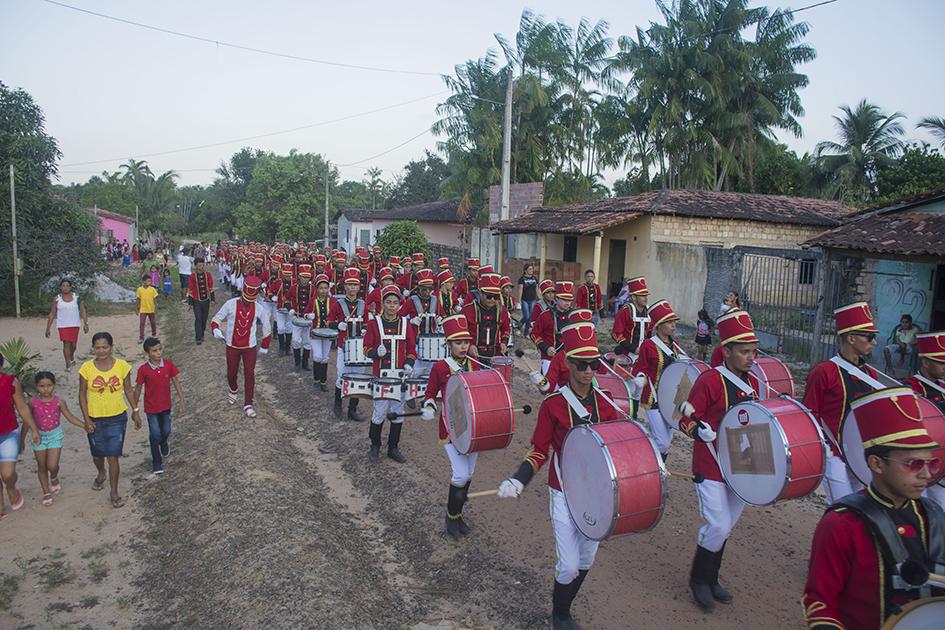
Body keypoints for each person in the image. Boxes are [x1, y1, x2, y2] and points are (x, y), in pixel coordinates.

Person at [495, 318, 622, 629]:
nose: (589, 371)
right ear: (568, 364)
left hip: (597, 492)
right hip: (563, 490)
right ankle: (560, 614)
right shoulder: (552, 405)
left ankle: (564, 607)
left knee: (586, 561)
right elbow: (539, 451)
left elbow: (619, 443)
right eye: (582, 364)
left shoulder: (606, 403)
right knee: (567, 566)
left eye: (593, 363)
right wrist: (519, 479)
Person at [802, 387, 945, 630]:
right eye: (914, 464)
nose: (926, 475)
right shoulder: (842, 524)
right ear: (876, 464)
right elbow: (820, 603)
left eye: (932, 463)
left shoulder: (933, 515)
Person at [677, 309, 761, 611]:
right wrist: (699, 432)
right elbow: (685, 418)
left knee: (727, 526)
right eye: (744, 352)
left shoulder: (753, 383)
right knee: (718, 524)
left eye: (753, 351)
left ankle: (712, 578)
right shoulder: (711, 380)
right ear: (726, 351)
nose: (751, 357)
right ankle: (698, 580)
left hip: (740, 467)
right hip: (709, 465)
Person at [803, 302, 887, 503]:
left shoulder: (871, 374)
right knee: (842, 505)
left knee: (858, 505)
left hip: (861, 453)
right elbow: (809, 413)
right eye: (869, 337)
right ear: (851, 338)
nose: (874, 342)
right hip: (833, 453)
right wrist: (824, 449)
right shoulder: (824, 372)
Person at [420, 314, 481, 539]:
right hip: (451, 427)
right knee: (460, 474)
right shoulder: (440, 367)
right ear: (448, 344)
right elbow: (430, 393)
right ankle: (451, 517)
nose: (463, 346)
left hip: (474, 428)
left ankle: (458, 515)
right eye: (458, 342)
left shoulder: (476, 364)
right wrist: (428, 406)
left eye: (466, 341)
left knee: (470, 473)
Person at [78, 332, 141, 508]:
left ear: (111, 347)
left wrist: (135, 410)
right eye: (97, 347)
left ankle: (114, 492)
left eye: (105, 347)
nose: (101, 351)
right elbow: (82, 394)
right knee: (97, 454)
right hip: (94, 417)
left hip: (117, 417)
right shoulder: (86, 369)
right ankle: (101, 472)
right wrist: (86, 419)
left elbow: (128, 390)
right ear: (93, 348)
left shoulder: (122, 366)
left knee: (113, 455)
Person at [363, 284, 418, 464]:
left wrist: (409, 363)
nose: (392, 306)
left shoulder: (405, 324)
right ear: (383, 303)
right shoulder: (374, 323)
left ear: (400, 305)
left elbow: (411, 348)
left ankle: (393, 447)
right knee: (379, 412)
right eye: (388, 302)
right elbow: (366, 348)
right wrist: (374, 353)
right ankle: (375, 445)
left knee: (398, 411)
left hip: (401, 376)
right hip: (381, 376)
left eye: (395, 303)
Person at [211, 276, 272, 418]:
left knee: (249, 374)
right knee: (231, 373)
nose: (249, 302)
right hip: (232, 345)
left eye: (252, 300)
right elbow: (216, 319)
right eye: (247, 299)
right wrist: (216, 330)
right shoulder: (230, 304)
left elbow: (267, 325)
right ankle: (233, 389)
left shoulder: (259, 308)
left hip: (250, 346)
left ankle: (248, 403)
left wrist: (265, 344)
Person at [632, 299, 685, 458]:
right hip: (652, 397)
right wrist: (640, 377)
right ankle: (644, 458)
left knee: (667, 440)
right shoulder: (648, 345)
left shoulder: (675, 345)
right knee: (662, 442)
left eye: (674, 322)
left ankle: (659, 469)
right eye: (669, 322)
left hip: (669, 398)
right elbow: (640, 367)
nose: (673, 325)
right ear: (659, 325)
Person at [29, 372, 90, 506]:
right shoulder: (32, 402)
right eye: (42, 386)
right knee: (41, 465)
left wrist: (84, 425)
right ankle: (45, 492)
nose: (46, 389)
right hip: (38, 436)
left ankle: (54, 476)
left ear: (54, 386)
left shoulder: (58, 402)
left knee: (52, 465)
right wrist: (22, 439)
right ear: (36, 387)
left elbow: (69, 416)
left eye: (49, 385)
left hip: (54, 435)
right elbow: (28, 421)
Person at [903, 331, 945, 509]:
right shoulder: (909, 387)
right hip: (919, 460)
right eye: (940, 362)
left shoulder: (943, 387)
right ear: (926, 363)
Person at [132, 338, 184, 475]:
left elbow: (175, 381)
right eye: (154, 351)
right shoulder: (143, 370)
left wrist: (181, 399)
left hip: (166, 406)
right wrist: (134, 408)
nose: (158, 353)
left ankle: (163, 442)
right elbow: (137, 388)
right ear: (147, 353)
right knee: (154, 434)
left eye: (160, 349)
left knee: (166, 430)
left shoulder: (168, 365)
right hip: (151, 408)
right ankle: (156, 462)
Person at [0, 352, 41, 519]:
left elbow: (22, 408)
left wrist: (34, 429)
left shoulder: (11, 383)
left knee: (7, 474)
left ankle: (11, 486)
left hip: (8, 433)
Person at [329, 268, 368, 421]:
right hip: (344, 345)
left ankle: (352, 409)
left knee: (358, 378)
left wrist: (365, 330)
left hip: (359, 346)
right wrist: (338, 326)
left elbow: (366, 323)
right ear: (345, 286)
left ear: (359, 287)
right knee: (342, 375)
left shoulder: (362, 304)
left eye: (355, 285)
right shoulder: (338, 304)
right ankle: (337, 403)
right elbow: (329, 322)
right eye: (349, 285)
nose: (352, 288)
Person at [461, 273, 511, 366]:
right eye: (489, 296)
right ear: (480, 293)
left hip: (495, 357)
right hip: (472, 356)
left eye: (496, 297)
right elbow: (461, 332)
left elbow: (506, 329)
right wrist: (469, 346)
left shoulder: (502, 310)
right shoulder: (467, 310)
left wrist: (504, 342)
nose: (492, 300)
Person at [400, 269, 439, 378]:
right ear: (419, 289)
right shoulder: (411, 301)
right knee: (415, 372)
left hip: (432, 342)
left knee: (430, 373)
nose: (427, 292)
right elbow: (398, 317)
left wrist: (440, 319)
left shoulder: (435, 300)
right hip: (415, 341)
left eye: (430, 289)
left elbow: (442, 315)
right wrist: (410, 321)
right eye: (424, 289)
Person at [45, 278, 90, 370]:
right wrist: (48, 328)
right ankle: (68, 364)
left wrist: (86, 323)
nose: (65, 288)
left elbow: (82, 310)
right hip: (63, 325)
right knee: (66, 344)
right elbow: (52, 313)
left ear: (71, 287)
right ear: (60, 287)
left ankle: (71, 356)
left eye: (67, 286)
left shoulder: (76, 297)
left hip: (74, 324)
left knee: (73, 345)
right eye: (63, 286)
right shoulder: (57, 299)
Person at [530, 281, 574, 374]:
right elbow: (534, 334)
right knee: (549, 387)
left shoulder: (574, 316)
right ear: (557, 298)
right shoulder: (545, 315)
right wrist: (546, 348)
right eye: (564, 299)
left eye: (570, 300)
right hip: (549, 359)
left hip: (569, 360)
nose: (568, 303)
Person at [611, 276, 650, 357]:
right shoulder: (625, 311)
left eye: (646, 295)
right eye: (642, 295)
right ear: (633, 297)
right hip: (627, 353)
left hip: (645, 353)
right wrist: (633, 348)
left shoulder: (649, 311)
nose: (645, 298)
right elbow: (616, 334)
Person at [308, 274, 334, 392]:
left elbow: (336, 315)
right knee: (318, 356)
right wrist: (308, 315)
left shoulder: (332, 301)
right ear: (317, 289)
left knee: (325, 358)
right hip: (315, 333)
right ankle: (316, 380)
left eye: (325, 288)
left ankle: (323, 382)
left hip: (328, 334)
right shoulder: (312, 301)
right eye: (321, 288)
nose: (323, 290)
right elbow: (305, 313)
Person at [288, 264, 315, 372]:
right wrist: (289, 308)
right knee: (295, 340)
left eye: (307, 277)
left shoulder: (313, 289)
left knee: (307, 341)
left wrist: (313, 314)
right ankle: (297, 362)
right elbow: (286, 299)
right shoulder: (293, 288)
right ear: (299, 276)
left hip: (308, 318)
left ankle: (305, 363)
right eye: (303, 276)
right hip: (296, 318)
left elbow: (318, 302)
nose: (305, 279)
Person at [267, 262, 296, 356]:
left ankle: (287, 348)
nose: (288, 277)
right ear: (282, 273)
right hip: (279, 308)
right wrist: (272, 297)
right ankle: (281, 348)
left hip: (291, 310)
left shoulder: (295, 283)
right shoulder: (277, 282)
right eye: (286, 274)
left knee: (289, 328)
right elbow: (269, 291)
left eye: (289, 275)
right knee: (281, 328)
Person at [187, 257, 216, 345]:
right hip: (196, 301)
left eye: (202, 265)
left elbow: (211, 287)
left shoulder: (208, 275)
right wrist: (190, 303)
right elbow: (190, 290)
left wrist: (213, 299)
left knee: (204, 318)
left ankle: (202, 333)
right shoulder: (192, 276)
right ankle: (198, 337)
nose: (201, 266)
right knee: (198, 318)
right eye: (199, 265)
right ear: (195, 266)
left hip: (206, 300)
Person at [136, 273, 159, 342]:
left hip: (151, 309)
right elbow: (138, 299)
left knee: (153, 322)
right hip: (143, 309)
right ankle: (141, 337)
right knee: (142, 323)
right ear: (144, 281)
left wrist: (156, 307)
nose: (150, 282)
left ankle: (154, 334)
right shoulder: (139, 289)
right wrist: (137, 308)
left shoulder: (152, 289)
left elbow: (155, 299)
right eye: (148, 281)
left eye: (150, 281)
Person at [517, 263, 539, 337]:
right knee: (526, 316)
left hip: (533, 300)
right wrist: (519, 302)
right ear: (525, 270)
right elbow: (520, 290)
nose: (532, 270)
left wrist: (541, 298)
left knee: (530, 317)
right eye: (530, 269)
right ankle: (520, 323)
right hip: (524, 300)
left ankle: (526, 333)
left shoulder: (535, 279)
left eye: (532, 269)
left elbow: (537, 290)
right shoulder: (521, 279)